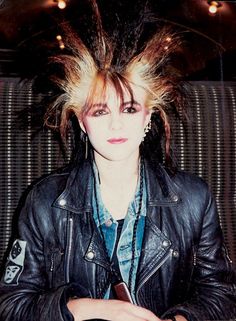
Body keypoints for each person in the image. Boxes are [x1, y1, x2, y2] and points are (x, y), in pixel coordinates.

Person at [0, 3, 236, 320]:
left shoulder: (194, 200)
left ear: (148, 117)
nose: (115, 125)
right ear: (82, 122)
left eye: (128, 109)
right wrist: (84, 308)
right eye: (100, 111)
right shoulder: (44, 202)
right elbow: (11, 304)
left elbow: (220, 295)